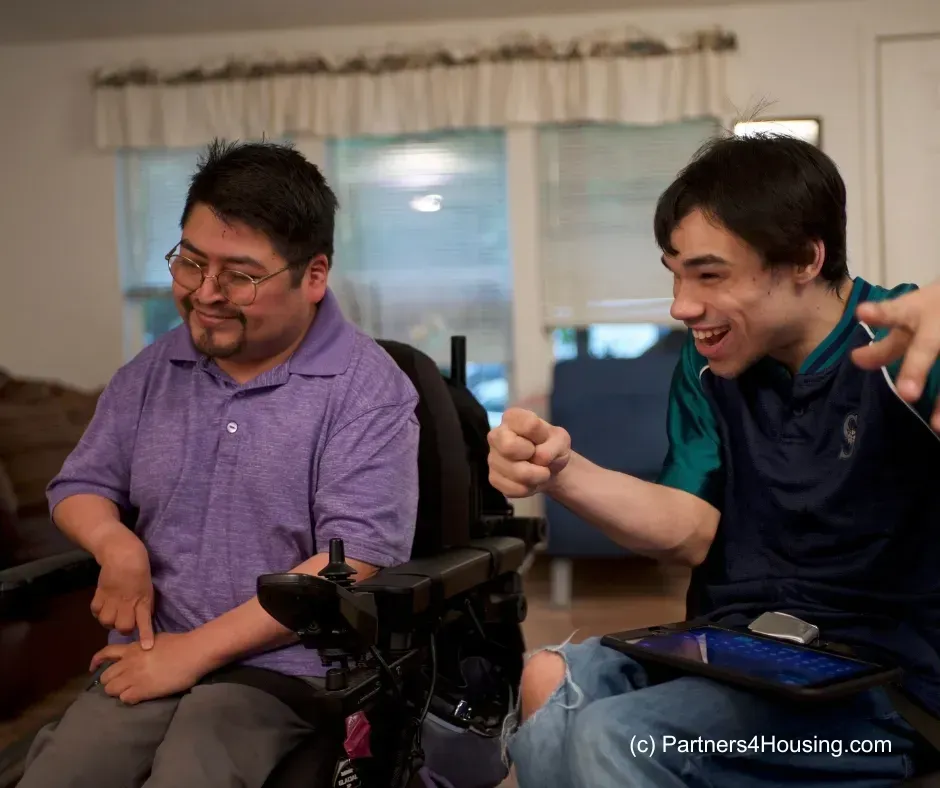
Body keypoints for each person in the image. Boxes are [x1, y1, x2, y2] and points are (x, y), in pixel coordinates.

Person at [489, 133, 940, 787]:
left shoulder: (903, 342)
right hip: (742, 652)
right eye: (674, 273)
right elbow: (687, 527)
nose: (681, 305)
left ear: (805, 259)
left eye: (709, 274)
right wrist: (560, 471)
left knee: (620, 736)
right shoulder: (708, 365)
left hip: (886, 698)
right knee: (547, 678)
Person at [18, 140, 420, 788]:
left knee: (190, 773)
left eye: (238, 275)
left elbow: (357, 558)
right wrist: (116, 545)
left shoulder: (365, 387)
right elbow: (82, 484)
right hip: (151, 652)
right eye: (190, 262)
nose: (205, 293)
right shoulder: (152, 372)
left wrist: (190, 657)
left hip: (288, 670)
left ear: (313, 275)